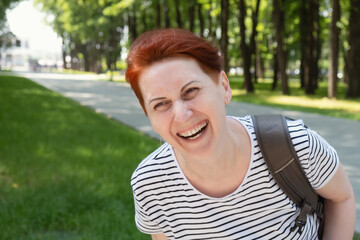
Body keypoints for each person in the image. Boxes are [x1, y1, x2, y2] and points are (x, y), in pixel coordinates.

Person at [126, 28, 355, 240]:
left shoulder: (295, 146)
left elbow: (342, 198)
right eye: (160, 104)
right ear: (149, 115)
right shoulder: (150, 184)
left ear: (224, 87)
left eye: (191, 91)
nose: (182, 115)